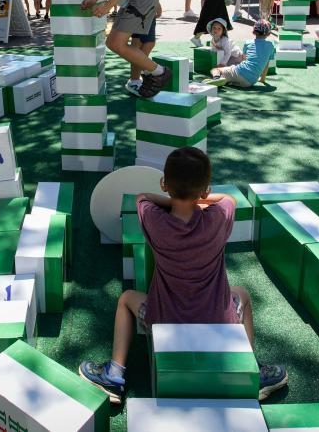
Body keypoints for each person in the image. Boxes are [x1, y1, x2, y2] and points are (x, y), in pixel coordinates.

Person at [78, 147, 288, 404]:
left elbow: (142, 197)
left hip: (163, 320)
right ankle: (251, 370)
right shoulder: (219, 217)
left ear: (164, 184)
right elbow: (229, 199)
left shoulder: (154, 220)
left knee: (125, 299)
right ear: (206, 189)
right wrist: (200, 199)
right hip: (216, 321)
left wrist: (173, 199)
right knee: (242, 293)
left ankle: (114, 375)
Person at [205, 19, 275, 88]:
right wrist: (262, 79)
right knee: (233, 75)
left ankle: (216, 78)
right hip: (251, 82)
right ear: (268, 34)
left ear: (254, 32)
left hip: (240, 71)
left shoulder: (248, 43)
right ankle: (229, 81)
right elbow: (266, 64)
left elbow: (244, 58)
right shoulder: (271, 46)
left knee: (215, 70)